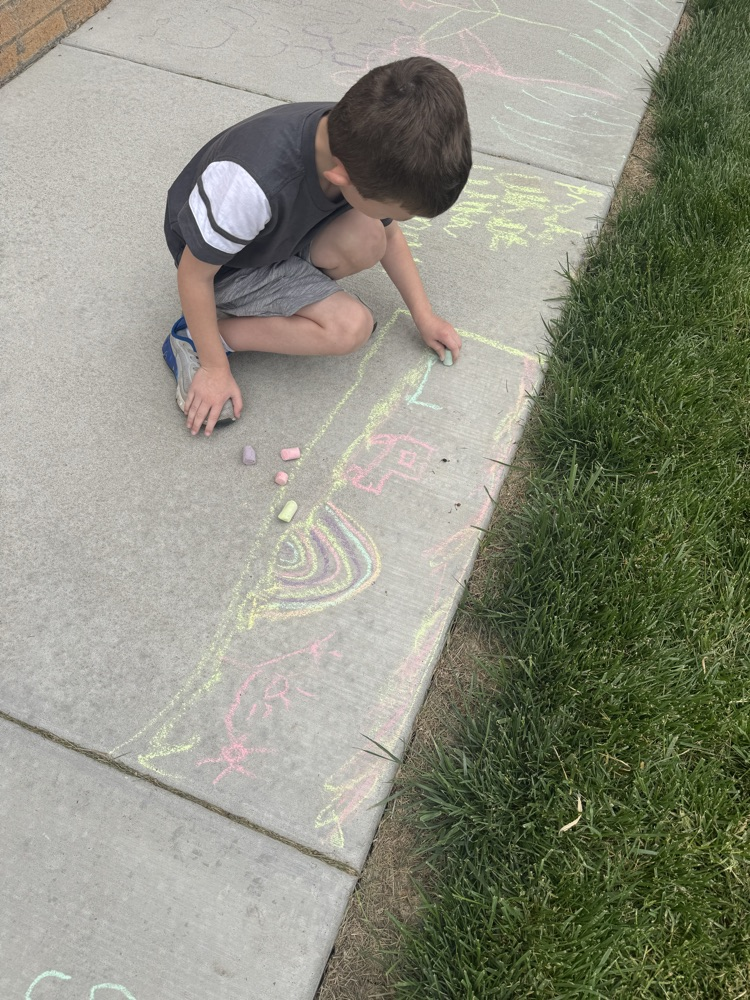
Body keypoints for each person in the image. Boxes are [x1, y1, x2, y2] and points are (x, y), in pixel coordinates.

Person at [162, 56, 472, 437]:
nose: (399, 222)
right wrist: (214, 369)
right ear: (340, 176)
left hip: (277, 233)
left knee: (371, 235)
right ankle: (197, 338)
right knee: (349, 327)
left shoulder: (357, 138)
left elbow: (387, 234)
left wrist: (424, 317)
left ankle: (288, 288)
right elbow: (194, 274)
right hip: (229, 268)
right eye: (399, 213)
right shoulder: (251, 184)